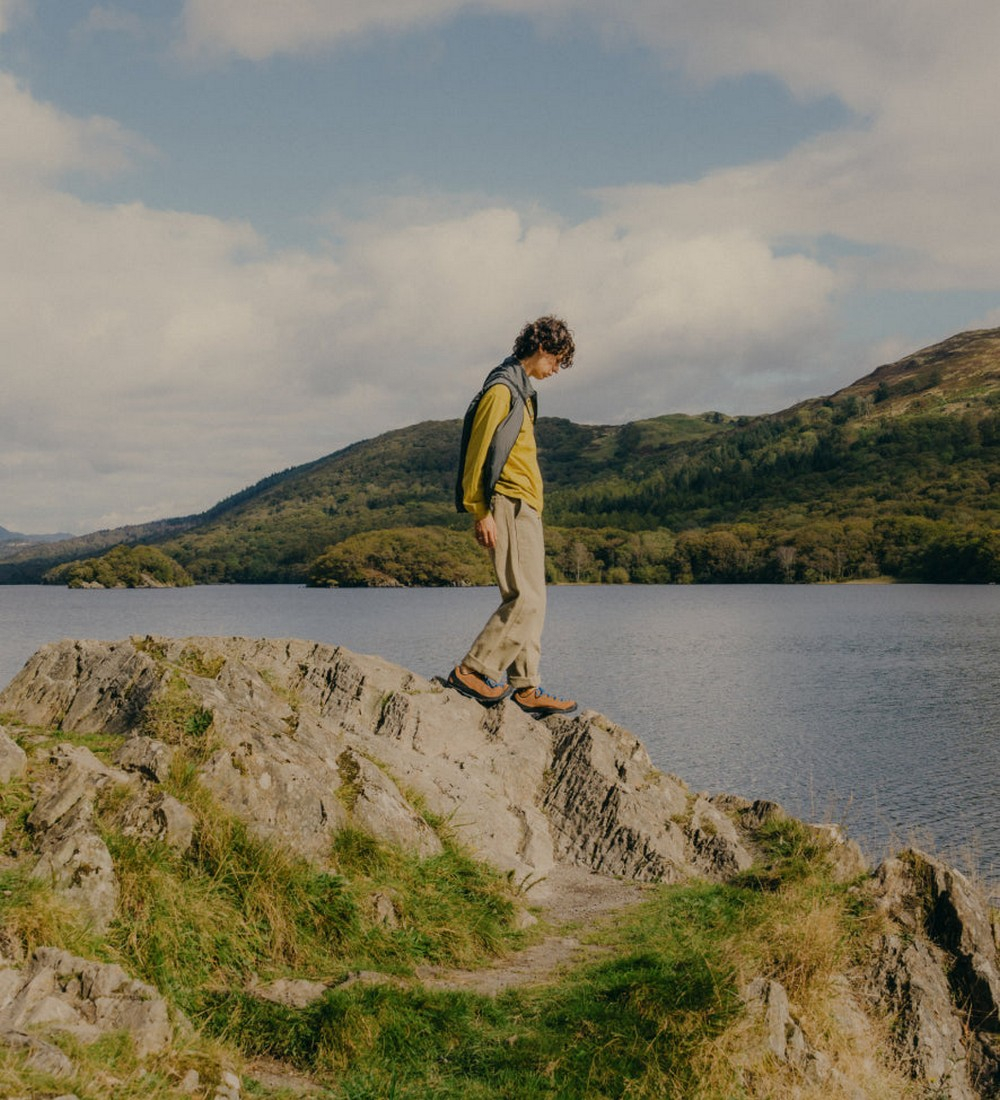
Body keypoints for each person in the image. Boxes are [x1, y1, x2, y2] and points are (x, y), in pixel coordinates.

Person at [447, 315, 578, 718]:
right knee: (525, 598)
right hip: (507, 502)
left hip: (526, 507)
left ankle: (526, 685)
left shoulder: (521, 392)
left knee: (535, 600)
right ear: (540, 347)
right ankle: (473, 670)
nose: (556, 369)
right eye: (556, 360)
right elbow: (477, 453)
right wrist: (480, 510)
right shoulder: (502, 390)